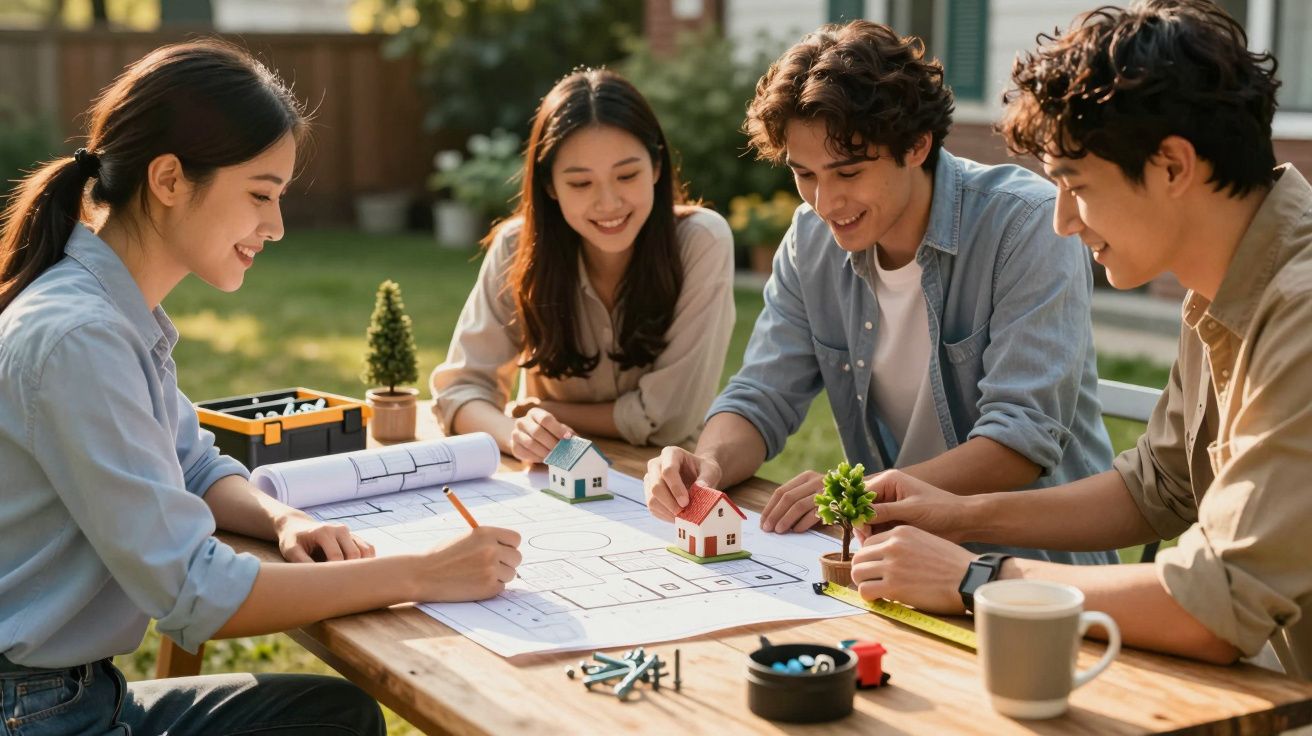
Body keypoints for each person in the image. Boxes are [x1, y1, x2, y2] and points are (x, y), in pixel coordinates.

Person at [0, 41, 521, 734]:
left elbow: (192, 463)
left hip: (75, 694)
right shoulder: (79, 337)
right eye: (260, 194)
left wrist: (284, 520)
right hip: (34, 715)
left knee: (330, 714)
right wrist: (421, 574)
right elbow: (192, 591)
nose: (274, 226)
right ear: (168, 179)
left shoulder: (115, 313)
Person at [851, 0, 1312, 673]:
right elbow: (1157, 488)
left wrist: (976, 578)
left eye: (1076, 185)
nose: (1063, 222)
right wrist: (955, 513)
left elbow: (1215, 606)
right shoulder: (1223, 281)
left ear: (1173, 167)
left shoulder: (1299, 310)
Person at [643, 20, 1115, 568]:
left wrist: (855, 497)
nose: (826, 201)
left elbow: (1021, 439)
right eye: (805, 174)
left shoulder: (1027, 225)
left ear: (917, 145)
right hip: (888, 564)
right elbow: (761, 396)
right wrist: (709, 465)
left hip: (1028, 575)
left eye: (848, 171)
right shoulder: (811, 241)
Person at [431, 69, 735, 463]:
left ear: (657, 167)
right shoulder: (516, 247)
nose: (608, 203)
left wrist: (544, 411)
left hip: (668, 484)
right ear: (550, 186)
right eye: (580, 183)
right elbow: (458, 393)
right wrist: (516, 434)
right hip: (550, 478)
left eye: (627, 175)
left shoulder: (702, 242)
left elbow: (668, 421)